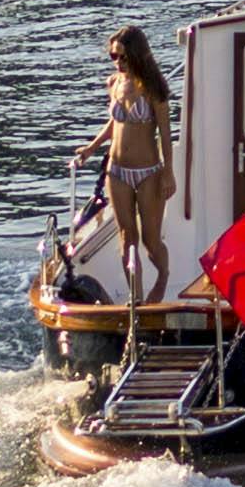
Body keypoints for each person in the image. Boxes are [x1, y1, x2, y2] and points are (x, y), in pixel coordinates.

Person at [100, 27, 174, 300]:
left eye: (123, 58)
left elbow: (166, 135)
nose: (119, 63)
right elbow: (114, 124)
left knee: (150, 241)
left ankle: (163, 276)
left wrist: (169, 174)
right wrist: (91, 148)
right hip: (116, 170)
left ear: (137, 55)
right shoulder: (114, 83)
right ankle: (137, 302)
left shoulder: (154, 88)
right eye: (114, 57)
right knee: (126, 238)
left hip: (148, 172)